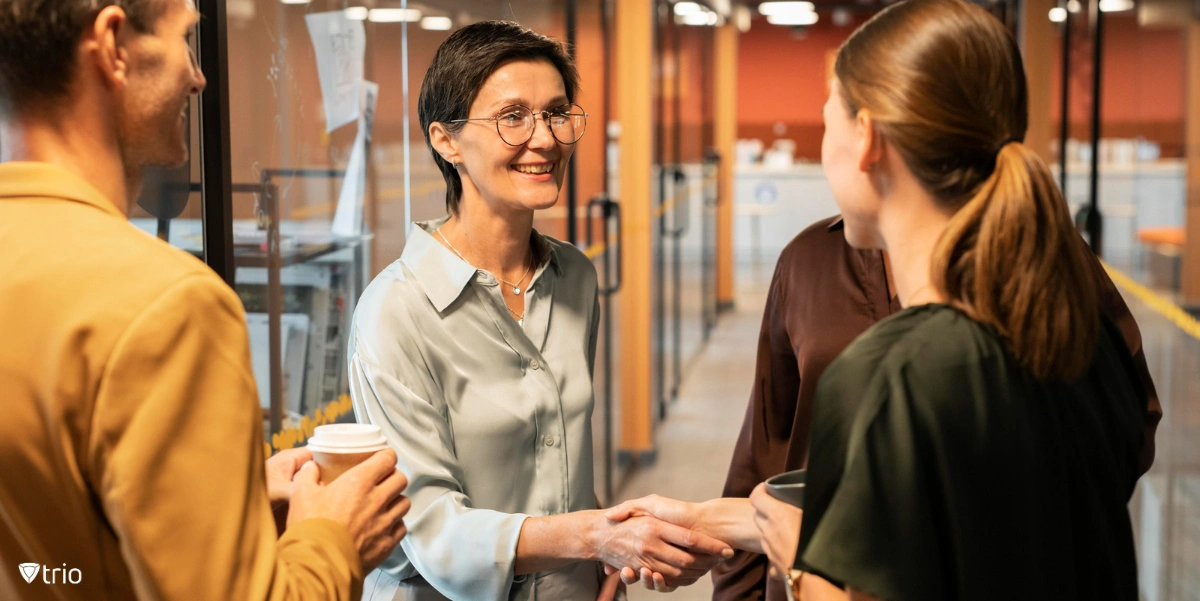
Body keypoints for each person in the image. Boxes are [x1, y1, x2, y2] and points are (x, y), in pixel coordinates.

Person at [0, 1, 409, 599]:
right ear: (114, 45)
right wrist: (331, 539)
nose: (199, 76)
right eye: (185, 39)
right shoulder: (163, 304)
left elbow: (54, 563)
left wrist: (228, 504)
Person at [347, 20, 732, 601]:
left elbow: (560, 464)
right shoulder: (395, 312)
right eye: (513, 117)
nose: (546, 138)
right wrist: (597, 538)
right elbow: (433, 533)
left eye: (556, 113)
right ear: (446, 141)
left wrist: (610, 551)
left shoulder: (575, 278)